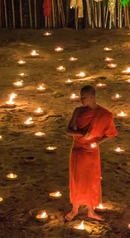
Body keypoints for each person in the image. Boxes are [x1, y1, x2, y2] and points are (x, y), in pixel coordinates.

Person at [65, 85, 118, 222]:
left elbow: (110, 133)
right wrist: (81, 133)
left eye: (83, 97)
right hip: (77, 149)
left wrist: (98, 143)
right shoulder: (78, 111)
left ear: (92, 97)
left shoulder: (104, 114)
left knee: (92, 179)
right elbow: (68, 130)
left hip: (92, 151)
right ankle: (74, 209)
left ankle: (91, 211)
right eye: (80, 96)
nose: (81, 99)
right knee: (76, 179)